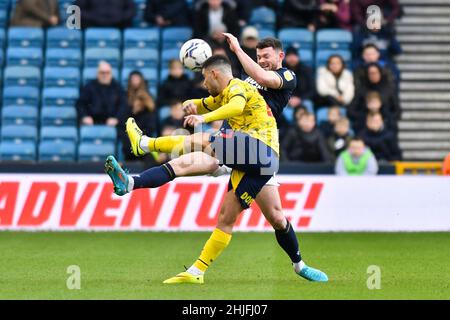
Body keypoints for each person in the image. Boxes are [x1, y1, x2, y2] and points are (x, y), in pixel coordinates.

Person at [105, 55, 327, 284]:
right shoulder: (225, 92)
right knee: (234, 217)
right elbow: (206, 102)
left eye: (204, 78)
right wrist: (191, 104)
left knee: (204, 140)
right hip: (250, 159)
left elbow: (235, 106)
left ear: (214, 74)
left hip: (261, 151)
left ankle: (144, 144)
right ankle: (197, 271)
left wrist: (203, 116)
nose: (203, 83)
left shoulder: (239, 86)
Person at [76, 61, 127, 126]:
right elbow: (80, 104)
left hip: (113, 124)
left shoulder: (117, 88)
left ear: (111, 74)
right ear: (97, 74)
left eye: (107, 73)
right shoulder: (89, 87)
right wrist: (85, 116)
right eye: (102, 73)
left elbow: (123, 105)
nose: (105, 75)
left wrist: (116, 118)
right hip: (92, 123)